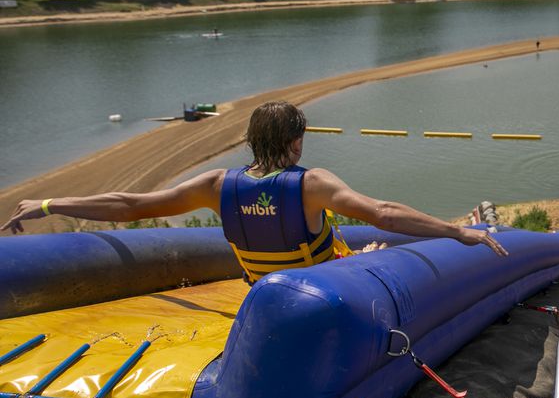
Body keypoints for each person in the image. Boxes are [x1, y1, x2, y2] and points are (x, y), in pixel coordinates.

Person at [3, 101, 507, 282]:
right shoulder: (311, 183)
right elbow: (384, 213)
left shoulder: (216, 184)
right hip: (327, 286)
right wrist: (458, 232)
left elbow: (130, 206)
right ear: (295, 141)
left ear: (251, 140)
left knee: (364, 247)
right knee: (379, 249)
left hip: (265, 290)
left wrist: (48, 203)